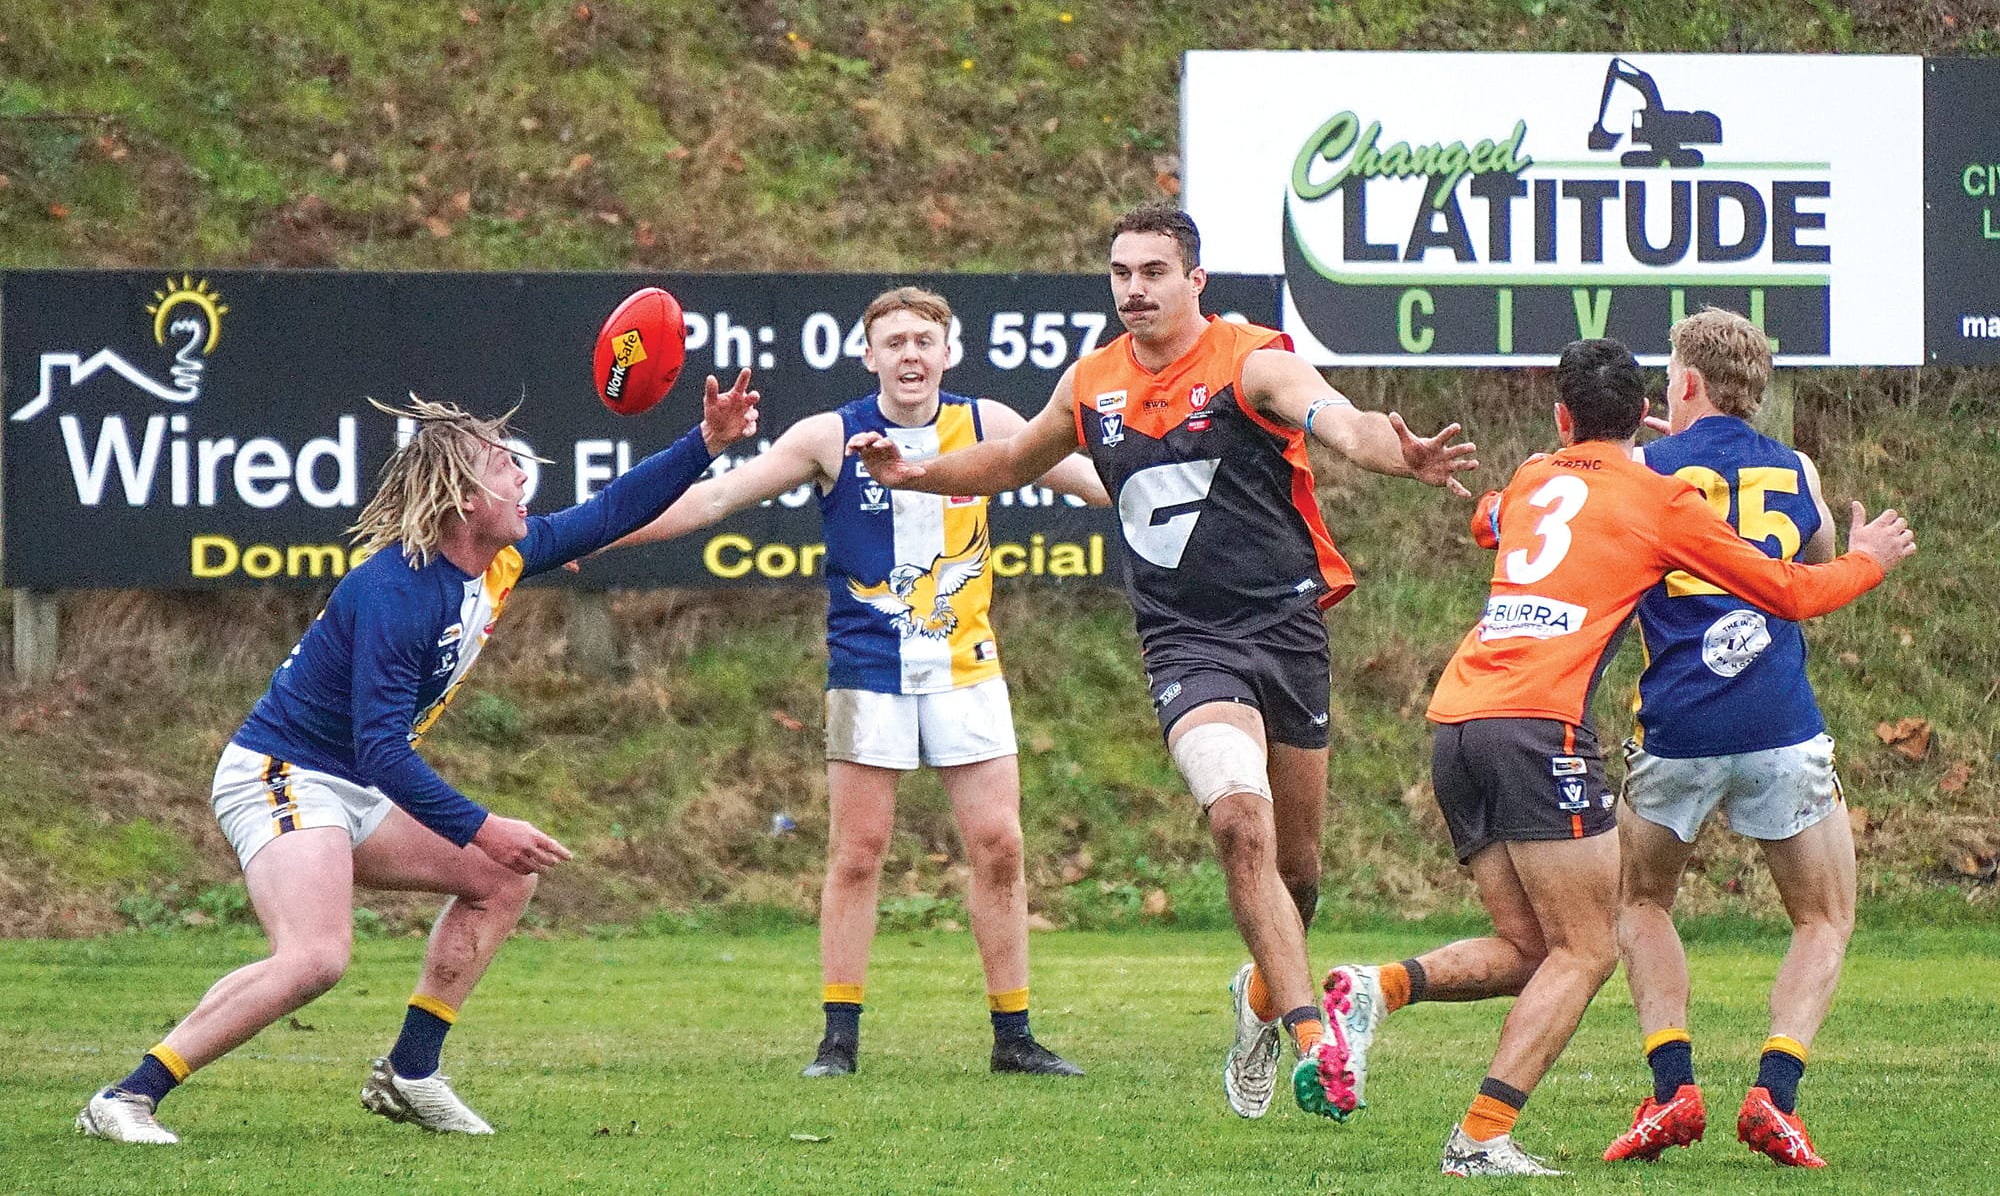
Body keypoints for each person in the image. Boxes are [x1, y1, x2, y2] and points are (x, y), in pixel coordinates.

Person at [849, 205, 1480, 1122]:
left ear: (1195, 282)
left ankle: (1259, 1004)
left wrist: (1399, 454)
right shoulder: (1093, 383)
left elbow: (1339, 420)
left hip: (1288, 632)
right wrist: (914, 474)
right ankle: (1313, 1039)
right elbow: (1012, 460)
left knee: (1299, 877)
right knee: (1235, 820)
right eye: (1120, 272)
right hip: (1186, 643)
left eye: (1153, 271)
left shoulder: (1248, 360)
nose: (1134, 288)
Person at [74, 375, 760, 1144]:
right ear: (465, 498)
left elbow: (610, 512)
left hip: (354, 782)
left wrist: (707, 442)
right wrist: (481, 823)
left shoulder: (500, 557)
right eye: (506, 467)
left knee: (503, 878)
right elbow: (379, 748)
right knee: (316, 958)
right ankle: (127, 1097)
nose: (524, 476)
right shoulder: (397, 593)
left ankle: (411, 1070)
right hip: (285, 775)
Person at [1318, 337, 1913, 1176]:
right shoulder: (1660, 496)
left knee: (1531, 945)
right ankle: (1481, 1139)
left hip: (1457, 720)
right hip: (1537, 727)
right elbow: (1789, 591)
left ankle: (1375, 990)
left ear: (1562, 418)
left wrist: (1574, 463)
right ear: (1643, 416)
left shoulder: (1530, 476)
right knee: (1589, 946)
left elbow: (1483, 517)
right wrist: (1870, 561)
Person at [607, 286, 1102, 1078]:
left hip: (968, 667)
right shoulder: (828, 435)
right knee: (858, 853)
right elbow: (716, 495)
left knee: (1001, 847)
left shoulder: (992, 426)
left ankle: (1014, 1037)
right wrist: (594, 535)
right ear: (867, 355)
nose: (910, 354)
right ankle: (838, 1040)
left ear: (950, 353)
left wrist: (1189, 503)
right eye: (894, 341)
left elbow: (1090, 481)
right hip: (868, 669)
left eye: (923, 340)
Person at [1601, 308, 1858, 1168]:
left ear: (1686, 383)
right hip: (1778, 719)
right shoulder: (1794, 467)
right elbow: (1815, 556)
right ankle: (1774, 1097)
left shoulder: (1641, 467)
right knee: (1823, 917)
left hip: (1677, 722)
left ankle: (1673, 1087)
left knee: (1638, 904)